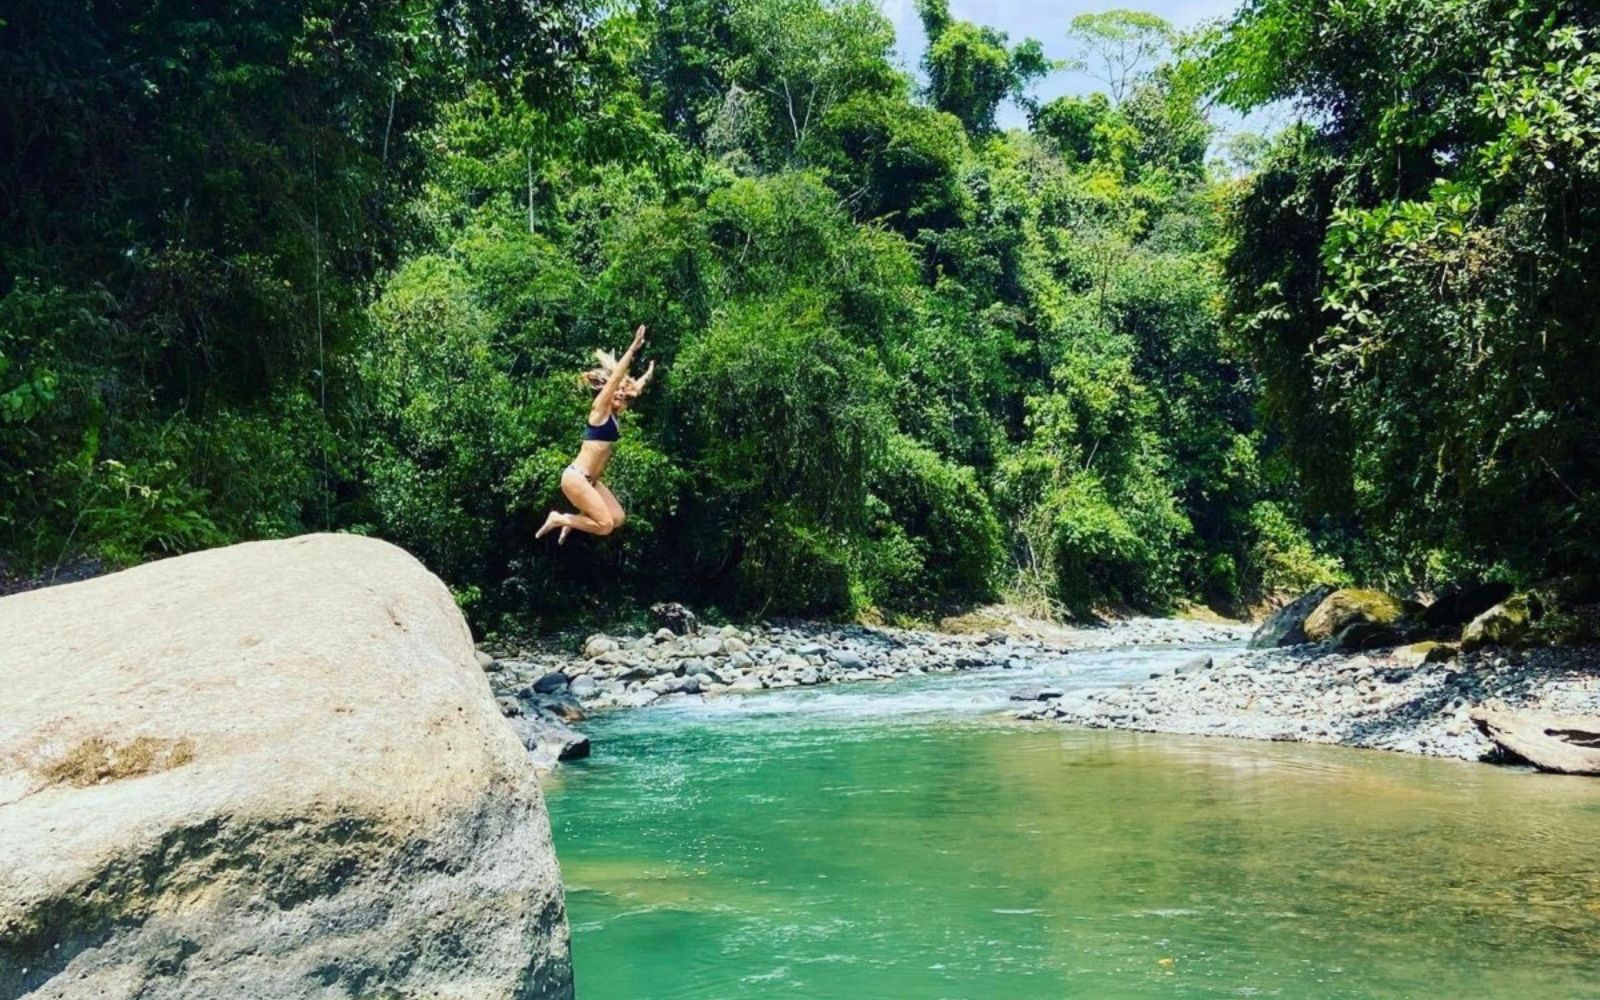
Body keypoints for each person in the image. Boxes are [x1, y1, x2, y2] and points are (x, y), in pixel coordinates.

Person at [536, 325, 655, 543]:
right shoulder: (600, 410)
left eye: (624, 397)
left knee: (617, 518)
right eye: (617, 392)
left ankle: (572, 520)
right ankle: (560, 519)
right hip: (576, 478)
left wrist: (647, 376)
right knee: (605, 526)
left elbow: (633, 390)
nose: (620, 396)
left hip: (591, 482)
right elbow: (615, 380)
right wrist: (632, 349)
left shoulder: (615, 417)